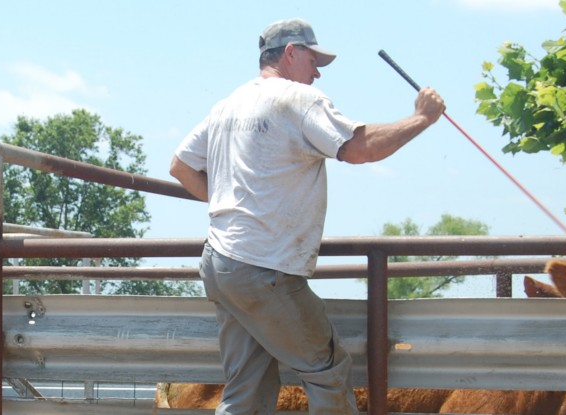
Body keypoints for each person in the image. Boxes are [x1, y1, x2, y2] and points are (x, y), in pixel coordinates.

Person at [169, 18, 446, 415]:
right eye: (313, 59)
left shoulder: (228, 104)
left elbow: (180, 166)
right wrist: (422, 117)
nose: (316, 71)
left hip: (219, 263)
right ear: (290, 53)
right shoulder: (298, 100)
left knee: (245, 388)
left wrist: (229, 199)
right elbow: (360, 148)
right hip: (265, 268)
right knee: (328, 371)